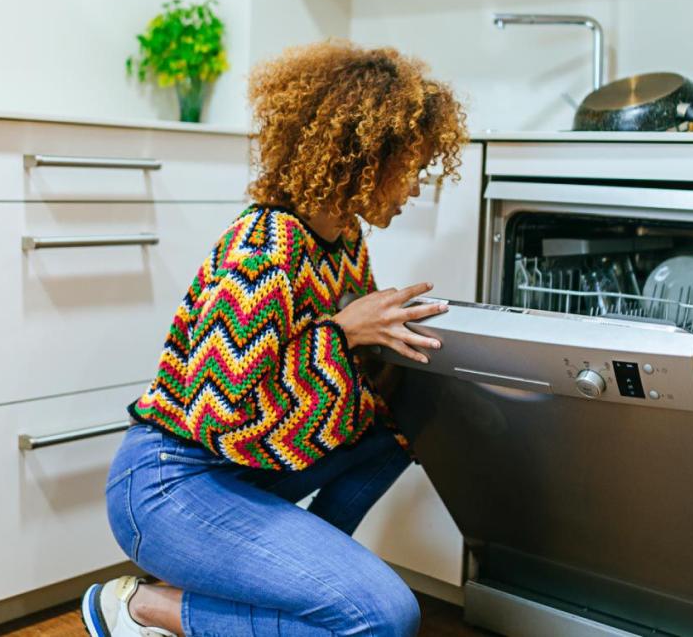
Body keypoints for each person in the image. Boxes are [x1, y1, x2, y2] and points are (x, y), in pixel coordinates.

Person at [80, 39, 468, 637]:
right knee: (385, 617)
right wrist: (341, 333)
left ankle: (297, 583)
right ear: (365, 157)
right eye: (410, 167)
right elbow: (220, 410)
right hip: (170, 485)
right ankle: (145, 608)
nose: (416, 186)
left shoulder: (343, 242)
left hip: (243, 473)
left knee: (399, 426)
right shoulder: (265, 242)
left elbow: (339, 389)